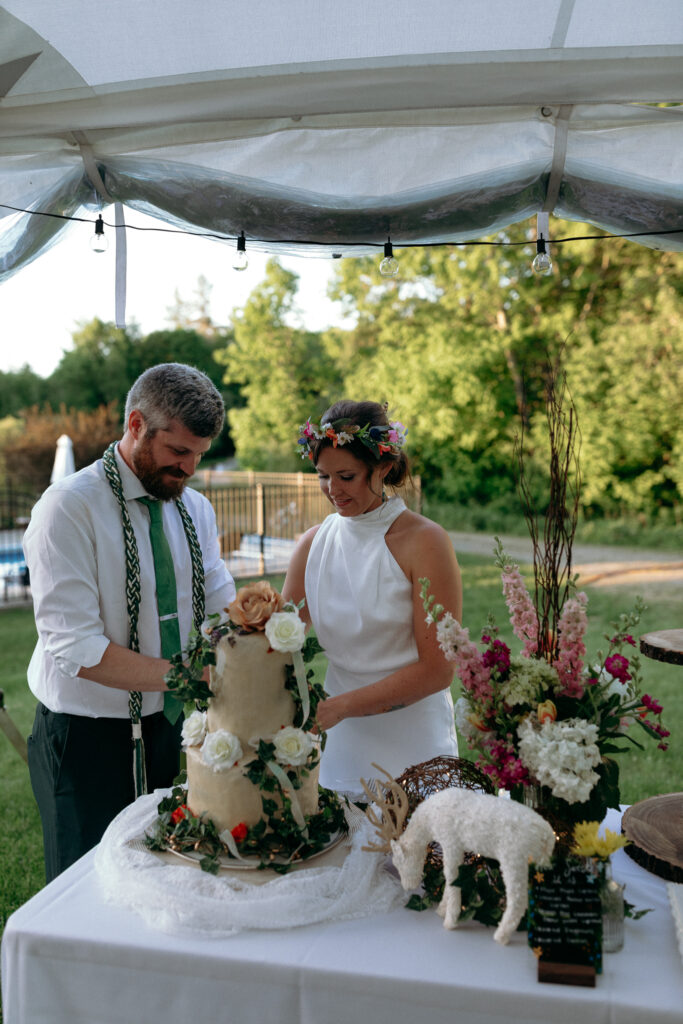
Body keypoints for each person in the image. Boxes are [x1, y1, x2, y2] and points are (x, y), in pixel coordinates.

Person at [24, 363, 236, 882]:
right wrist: (190, 678)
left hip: (166, 730)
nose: (188, 469)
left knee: (162, 877)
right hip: (85, 738)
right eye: (178, 452)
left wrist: (253, 642)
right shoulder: (68, 508)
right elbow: (74, 647)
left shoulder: (196, 510)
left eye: (198, 456)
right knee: (85, 889)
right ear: (136, 425)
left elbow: (219, 601)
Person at [283, 399, 462, 798]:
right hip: (340, 740)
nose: (333, 490)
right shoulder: (312, 545)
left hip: (413, 739)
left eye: (346, 476)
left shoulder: (425, 541)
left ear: (382, 468)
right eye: (323, 476)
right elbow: (278, 642)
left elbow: (438, 670)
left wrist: (341, 706)